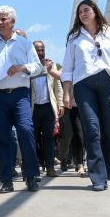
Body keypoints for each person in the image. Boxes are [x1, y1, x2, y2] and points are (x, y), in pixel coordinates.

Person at [0, 5, 42, 193]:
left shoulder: (24, 44)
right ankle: (6, 179)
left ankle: (30, 176)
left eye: (4, 19)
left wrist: (22, 68)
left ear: (13, 22)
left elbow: (37, 67)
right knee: (2, 138)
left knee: (26, 131)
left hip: (20, 94)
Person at [61, 0, 110, 191]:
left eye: (86, 10)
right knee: (92, 128)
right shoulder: (74, 38)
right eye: (80, 12)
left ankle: (105, 169)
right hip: (84, 85)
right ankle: (97, 177)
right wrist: (66, 93)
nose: (83, 14)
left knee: (109, 130)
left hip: (108, 82)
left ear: (95, 12)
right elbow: (67, 68)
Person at [30, 40, 64, 177]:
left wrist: (60, 104)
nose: (40, 52)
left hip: (48, 107)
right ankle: (36, 166)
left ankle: (50, 167)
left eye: (42, 49)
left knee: (49, 139)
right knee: (33, 138)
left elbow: (57, 86)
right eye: (37, 50)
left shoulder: (51, 65)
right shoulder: (29, 66)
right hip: (33, 108)